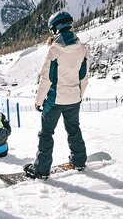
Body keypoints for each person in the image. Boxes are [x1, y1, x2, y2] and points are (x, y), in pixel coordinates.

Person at [23, 11, 89, 179]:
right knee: (74, 129)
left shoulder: (55, 49)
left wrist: (39, 100)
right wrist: (78, 95)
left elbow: (47, 79)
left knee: (46, 134)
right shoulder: (82, 48)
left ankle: (41, 170)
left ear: (54, 29)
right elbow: (84, 77)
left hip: (55, 100)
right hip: (74, 98)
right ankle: (79, 161)